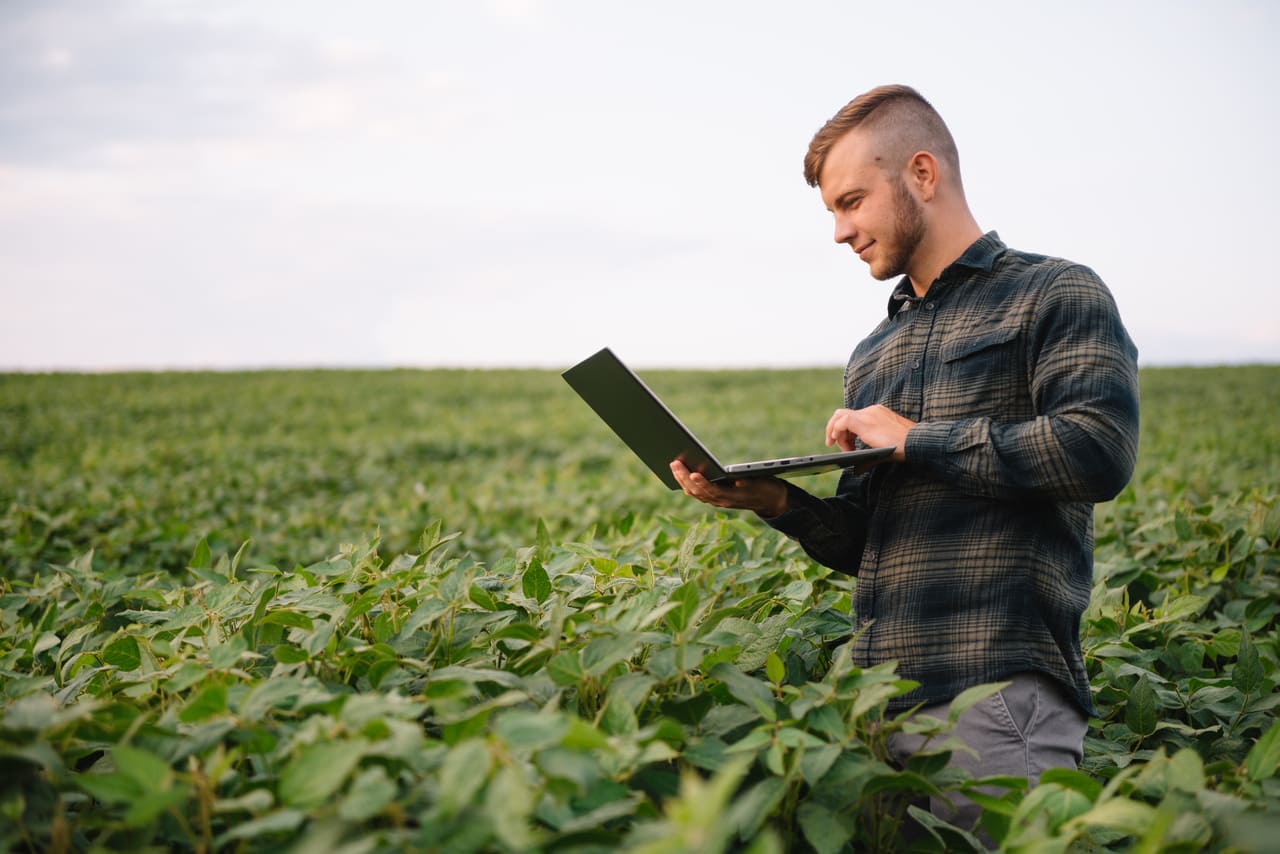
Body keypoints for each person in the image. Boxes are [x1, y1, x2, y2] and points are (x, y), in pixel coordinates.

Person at [669, 84, 1139, 831]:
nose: (838, 231)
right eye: (830, 211)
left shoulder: (1055, 293)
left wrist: (918, 437)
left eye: (851, 202)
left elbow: (1098, 449)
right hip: (874, 713)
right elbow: (868, 544)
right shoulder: (873, 355)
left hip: (997, 700)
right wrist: (778, 504)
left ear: (923, 174)